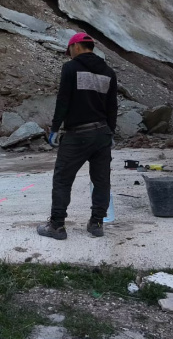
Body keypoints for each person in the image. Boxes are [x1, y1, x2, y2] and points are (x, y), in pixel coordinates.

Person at [38, 33, 118, 240]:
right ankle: (97, 223)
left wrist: (55, 128)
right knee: (101, 180)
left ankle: (57, 226)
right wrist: (111, 132)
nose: (70, 54)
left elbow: (63, 100)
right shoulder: (109, 72)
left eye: (70, 50)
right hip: (102, 133)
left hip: (78, 134)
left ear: (76, 47)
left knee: (62, 179)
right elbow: (112, 107)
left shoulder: (71, 68)